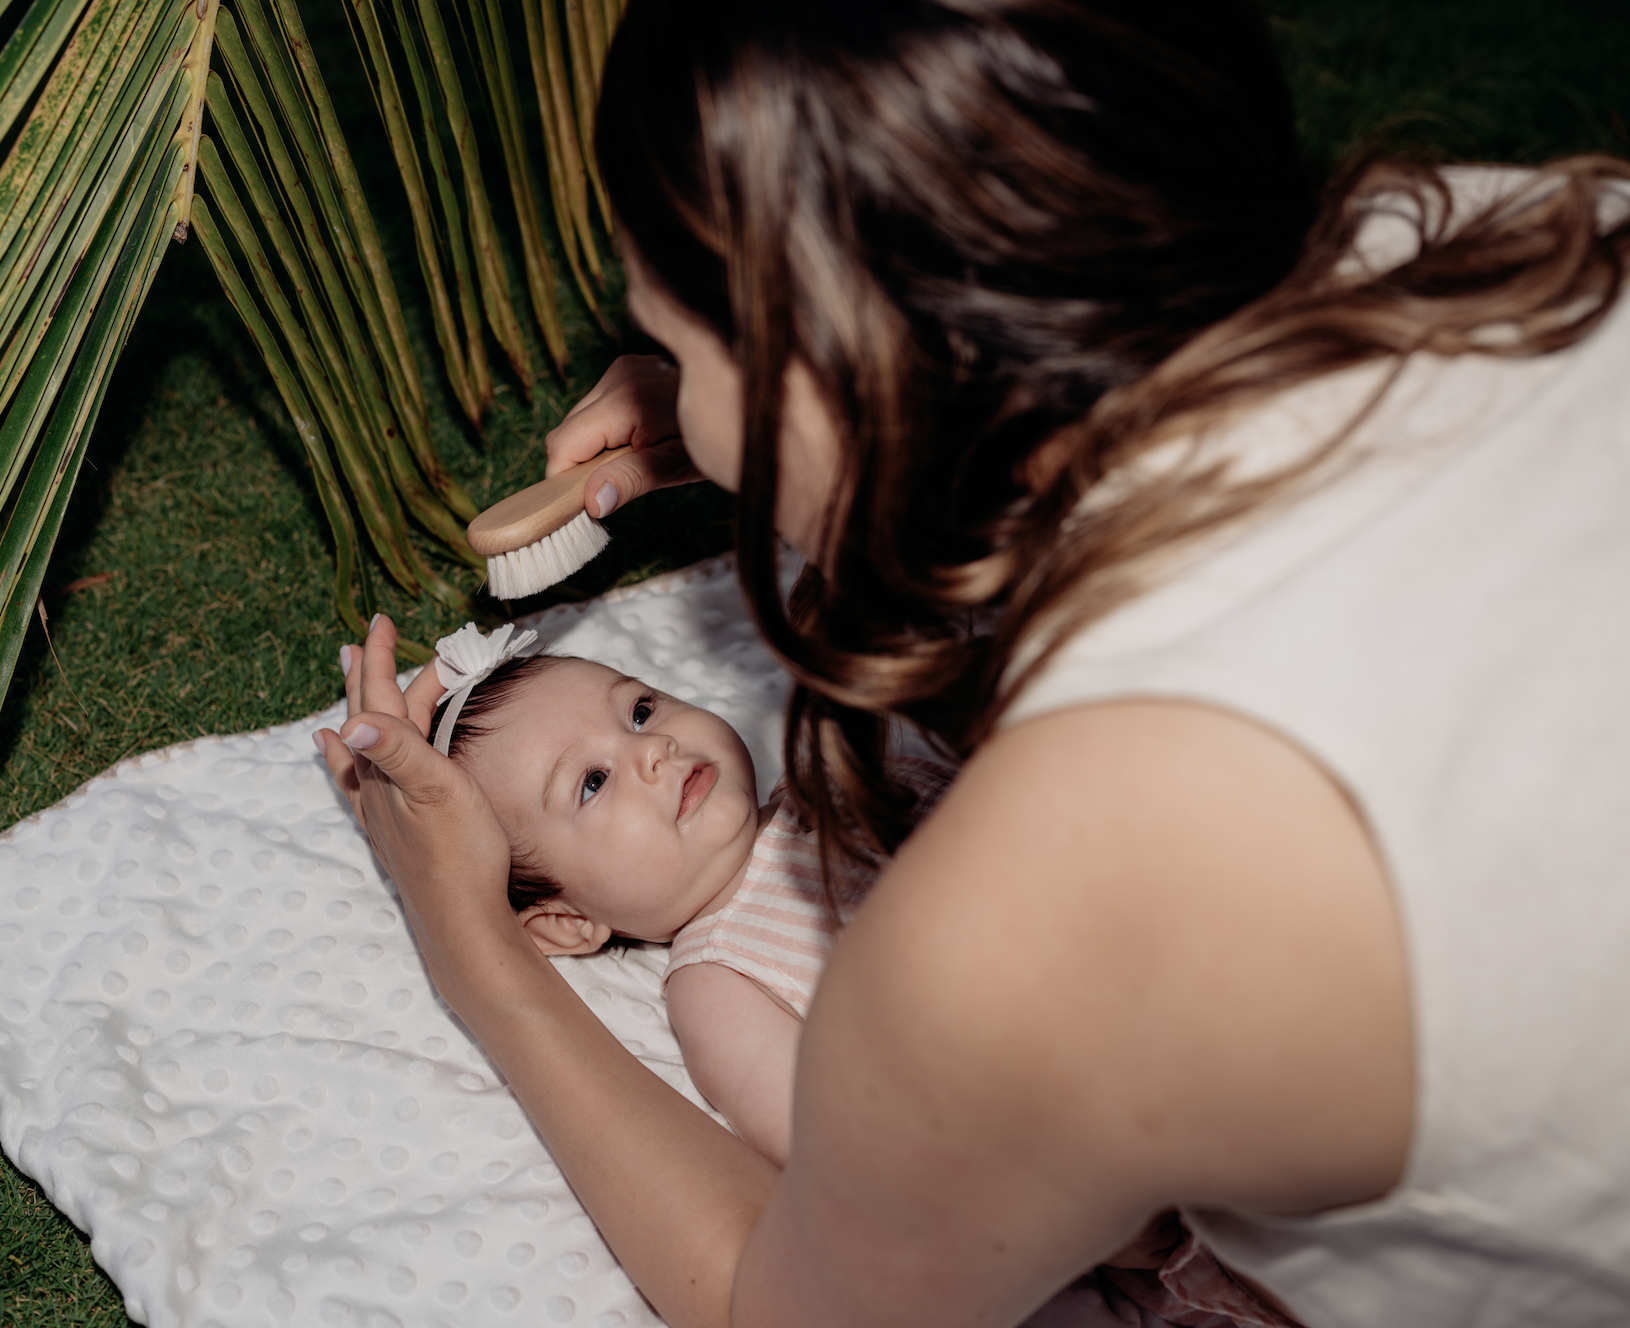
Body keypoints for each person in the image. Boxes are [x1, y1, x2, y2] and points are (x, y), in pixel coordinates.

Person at [313, 1, 1630, 1325]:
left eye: (688, 348)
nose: (686, 416)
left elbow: (788, 1305)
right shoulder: (1514, 227)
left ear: (846, 368)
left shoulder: (1041, 915)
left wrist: (471, 948)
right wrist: (798, 438)